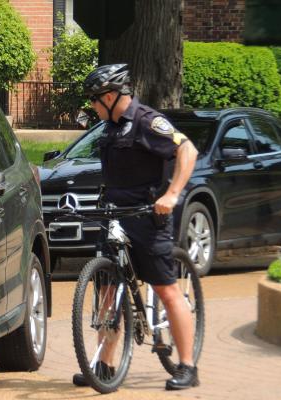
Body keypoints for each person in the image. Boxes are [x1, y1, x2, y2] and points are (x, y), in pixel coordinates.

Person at [72, 64, 200, 391]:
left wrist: (172, 195)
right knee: (106, 289)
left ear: (111, 96)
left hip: (147, 217)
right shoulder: (110, 127)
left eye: (95, 100)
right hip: (113, 213)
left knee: (166, 289)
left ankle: (187, 366)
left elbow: (187, 149)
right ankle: (105, 363)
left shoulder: (146, 121)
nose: (92, 106)